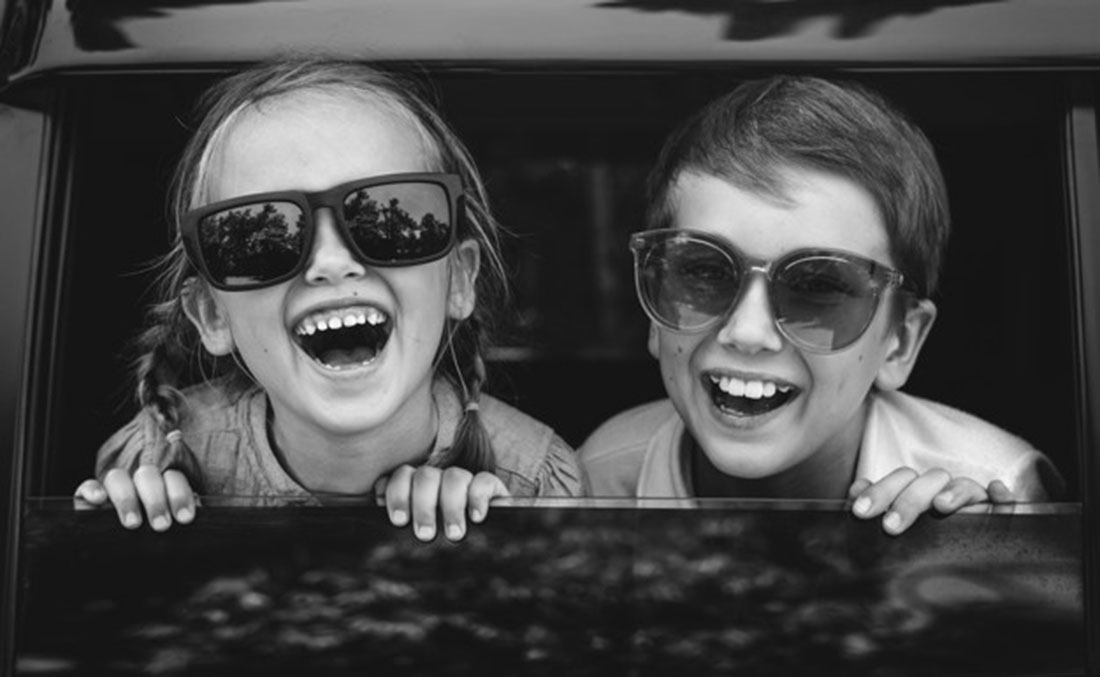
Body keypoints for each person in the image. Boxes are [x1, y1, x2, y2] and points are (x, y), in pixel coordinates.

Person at [73, 57, 584, 541]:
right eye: (262, 237)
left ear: (458, 280)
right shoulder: (155, 459)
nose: (332, 262)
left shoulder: (533, 481)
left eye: (389, 216)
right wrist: (133, 545)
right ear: (211, 315)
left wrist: (487, 548)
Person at [579, 76, 1062, 534]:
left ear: (900, 342)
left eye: (818, 288)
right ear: (654, 313)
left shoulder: (1001, 490)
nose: (747, 333)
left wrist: (973, 562)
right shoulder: (596, 484)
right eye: (704, 272)